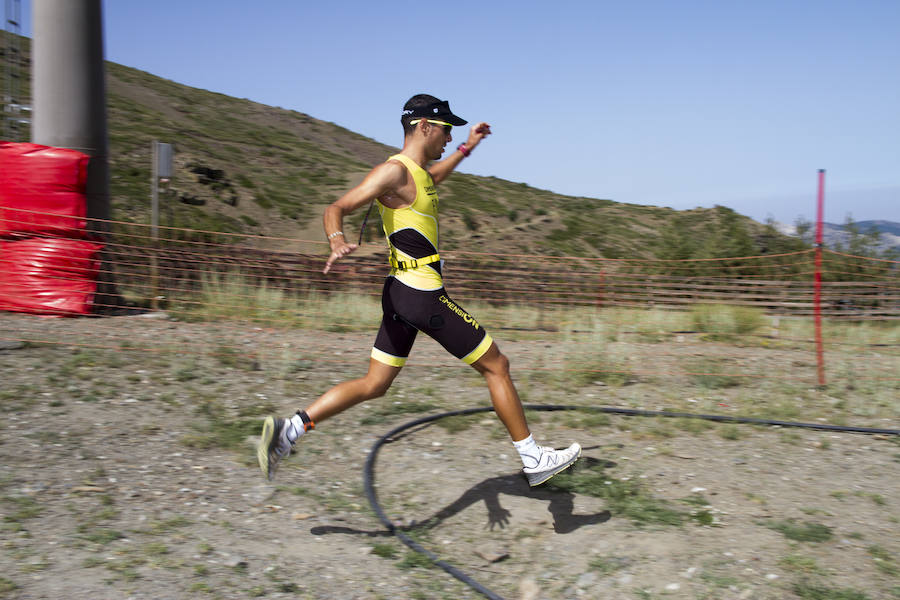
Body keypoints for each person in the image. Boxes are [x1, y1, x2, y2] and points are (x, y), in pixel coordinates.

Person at [258, 94, 580, 487]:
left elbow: (434, 178)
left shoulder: (418, 173)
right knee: (497, 365)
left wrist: (468, 147)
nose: (448, 137)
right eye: (446, 130)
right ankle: (533, 458)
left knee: (375, 384)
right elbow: (336, 207)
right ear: (424, 126)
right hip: (421, 294)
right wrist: (336, 239)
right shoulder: (393, 171)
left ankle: (288, 430)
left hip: (399, 293)